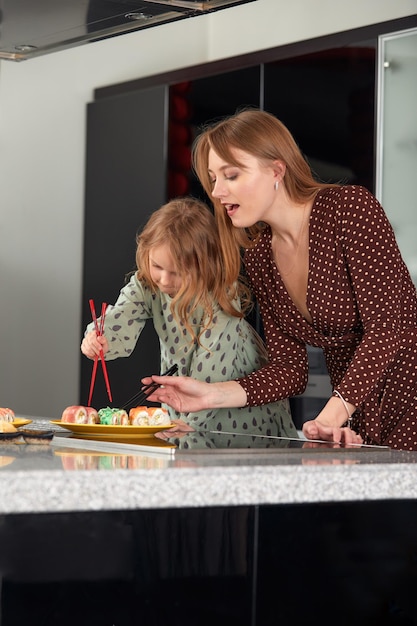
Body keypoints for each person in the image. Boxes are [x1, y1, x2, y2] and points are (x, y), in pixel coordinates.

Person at [144, 108, 417, 451]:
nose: (216, 191)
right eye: (212, 178)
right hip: (360, 420)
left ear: (277, 170)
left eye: (230, 175)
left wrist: (331, 416)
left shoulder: (349, 209)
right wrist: (209, 393)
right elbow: (290, 370)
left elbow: (390, 327)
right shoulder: (261, 258)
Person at [81, 196, 297, 441]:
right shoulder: (147, 284)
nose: (163, 280)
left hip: (239, 409)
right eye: (157, 266)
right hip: (182, 402)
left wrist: (184, 422)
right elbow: (121, 317)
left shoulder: (221, 295)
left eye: (176, 272)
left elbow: (213, 369)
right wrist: (100, 339)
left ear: (204, 265)